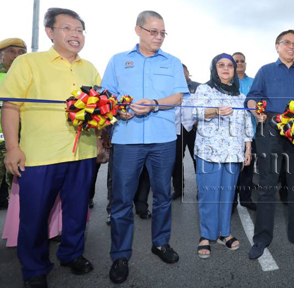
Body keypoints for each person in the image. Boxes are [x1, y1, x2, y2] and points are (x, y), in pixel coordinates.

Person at [0, 8, 100, 287]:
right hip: (39, 155)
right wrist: (12, 147)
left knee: (78, 211)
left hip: (83, 153)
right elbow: (10, 106)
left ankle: (71, 254)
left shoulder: (90, 68)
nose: (75, 34)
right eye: (67, 28)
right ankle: (34, 268)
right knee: (34, 215)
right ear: (49, 32)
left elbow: (99, 110)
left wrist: (101, 142)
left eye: (79, 30)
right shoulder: (28, 63)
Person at [101, 10, 189, 284]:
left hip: (162, 139)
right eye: (153, 31)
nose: (159, 37)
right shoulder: (118, 61)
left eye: (163, 32)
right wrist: (121, 111)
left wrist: (154, 103)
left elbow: (178, 96)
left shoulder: (172, 62)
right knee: (121, 200)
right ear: (138, 30)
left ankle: (160, 243)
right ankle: (120, 255)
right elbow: (107, 97)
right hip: (126, 139)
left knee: (163, 195)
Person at [245, 29, 294, 260]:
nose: (291, 46)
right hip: (270, 130)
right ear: (277, 46)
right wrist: (254, 110)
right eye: (286, 42)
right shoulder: (265, 71)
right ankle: (261, 238)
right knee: (268, 185)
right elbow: (252, 96)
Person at [186, 53, 252, 258]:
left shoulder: (240, 96)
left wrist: (248, 147)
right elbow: (195, 112)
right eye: (221, 65)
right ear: (214, 69)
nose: (226, 69)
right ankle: (206, 235)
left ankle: (225, 232)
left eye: (230, 66)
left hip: (233, 152)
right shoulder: (204, 89)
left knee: (227, 195)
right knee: (209, 195)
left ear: (234, 70)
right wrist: (215, 111)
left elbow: (246, 123)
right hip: (209, 151)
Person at [0, 38, 27, 209]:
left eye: (21, 52)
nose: (17, 56)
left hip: (18, 143)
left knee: (18, 193)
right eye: (11, 51)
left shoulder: (27, 77)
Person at [233, 52, 257, 211]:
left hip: (251, 133)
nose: (240, 63)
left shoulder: (254, 82)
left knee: (248, 169)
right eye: (237, 61)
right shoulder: (227, 82)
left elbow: (261, 101)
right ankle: (232, 202)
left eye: (242, 61)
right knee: (233, 169)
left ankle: (246, 198)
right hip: (232, 134)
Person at [171, 64, 199, 199]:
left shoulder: (199, 87)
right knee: (176, 160)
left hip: (194, 128)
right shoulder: (170, 88)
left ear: (188, 72)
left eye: (184, 72)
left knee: (198, 159)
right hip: (177, 129)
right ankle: (178, 189)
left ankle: (201, 189)